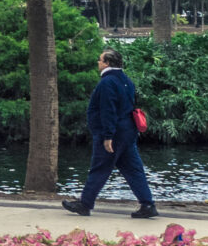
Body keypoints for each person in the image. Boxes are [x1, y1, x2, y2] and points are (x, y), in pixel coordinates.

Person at [63, 48, 159, 220]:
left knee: (100, 167)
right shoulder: (126, 81)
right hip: (128, 132)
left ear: (107, 63)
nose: (98, 62)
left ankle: (85, 204)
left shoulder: (107, 83)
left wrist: (108, 136)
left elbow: (108, 110)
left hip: (113, 134)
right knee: (133, 169)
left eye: (100, 60)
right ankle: (148, 204)